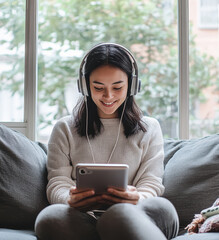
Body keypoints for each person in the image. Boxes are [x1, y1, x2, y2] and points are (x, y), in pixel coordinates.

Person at [35, 43, 179, 240]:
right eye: (98, 87)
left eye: (118, 87)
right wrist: (70, 199)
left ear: (132, 86)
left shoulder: (150, 127)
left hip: (138, 214)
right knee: (49, 217)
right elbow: (57, 183)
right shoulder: (65, 128)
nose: (108, 96)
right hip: (84, 218)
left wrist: (137, 198)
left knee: (126, 213)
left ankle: (115, 224)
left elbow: (151, 183)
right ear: (85, 86)